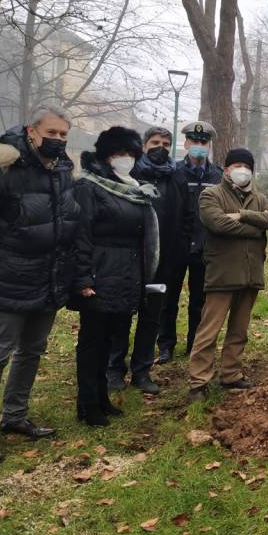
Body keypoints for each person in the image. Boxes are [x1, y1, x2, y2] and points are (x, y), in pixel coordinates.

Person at [0, 108, 79, 463]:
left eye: (65, 135)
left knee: (32, 351)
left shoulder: (63, 170)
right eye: (52, 132)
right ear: (31, 131)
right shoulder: (3, 169)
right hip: (9, 276)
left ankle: (15, 416)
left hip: (48, 276)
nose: (59, 140)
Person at [69, 127, 160, 427]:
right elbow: (80, 235)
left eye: (132, 154)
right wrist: (82, 278)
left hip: (126, 275)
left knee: (110, 341)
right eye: (120, 154)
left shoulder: (134, 187)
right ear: (106, 155)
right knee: (92, 341)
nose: (127, 160)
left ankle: (103, 398)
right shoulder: (88, 186)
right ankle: (88, 404)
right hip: (99, 272)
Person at [188, 148, 268, 401]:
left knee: (239, 331)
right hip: (222, 274)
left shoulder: (258, 198)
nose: (242, 170)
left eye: (246, 166)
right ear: (226, 169)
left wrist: (243, 215)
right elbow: (217, 223)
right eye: (236, 165)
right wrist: (255, 228)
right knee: (209, 331)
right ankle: (198, 382)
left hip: (251, 274)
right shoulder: (211, 195)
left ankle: (231, 374)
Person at [108, 126, 192, 395]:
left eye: (166, 143)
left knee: (151, 317)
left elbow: (186, 216)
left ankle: (142, 371)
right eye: (155, 142)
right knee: (121, 316)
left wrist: (178, 251)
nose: (161, 147)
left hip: (165, 259)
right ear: (144, 145)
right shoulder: (129, 173)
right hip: (131, 259)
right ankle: (114, 370)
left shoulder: (176, 175)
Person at [156, 122, 223, 364]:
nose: (198, 146)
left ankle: (195, 343)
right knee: (168, 300)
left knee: (199, 301)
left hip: (204, 247)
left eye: (203, 142)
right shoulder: (173, 172)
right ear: (185, 144)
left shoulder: (218, 175)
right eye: (194, 141)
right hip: (176, 246)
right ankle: (165, 345)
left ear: (209, 145)